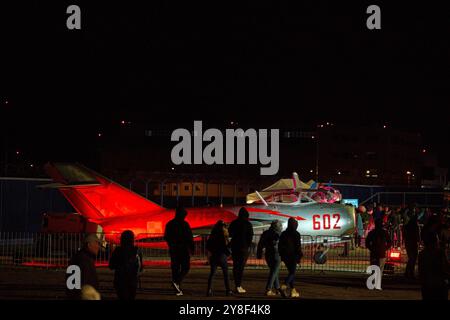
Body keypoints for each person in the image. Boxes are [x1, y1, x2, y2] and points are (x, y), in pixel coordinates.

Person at [164, 206, 194, 296]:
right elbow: (189, 237)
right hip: (183, 249)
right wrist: (192, 248)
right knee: (186, 267)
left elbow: (166, 237)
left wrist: (171, 245)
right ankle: (177, 283)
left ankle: (177, 286)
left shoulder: (170, 224)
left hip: (174, 249)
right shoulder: (185, 224)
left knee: (175, 268)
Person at [109, 230, 143, 300]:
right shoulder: (137, 251)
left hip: (120, 280)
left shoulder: (118, 251)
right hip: (132, 281)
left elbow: (111, 265)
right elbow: (140, 267)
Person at [66, 234, 101, 300]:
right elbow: (78, 284)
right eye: (96, 243)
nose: (98, 246)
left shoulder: (79, 257)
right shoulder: (84, 260)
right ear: (89, 245)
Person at [228, 207, 254, 293]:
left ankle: (237, 284)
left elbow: (230, 233)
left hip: (235, 247)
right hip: (244, 248)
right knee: (241, 267)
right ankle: (238, 285)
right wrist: (248, 245)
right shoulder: (248, 224)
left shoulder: (234, 223)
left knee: (236, 266)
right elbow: (250, 236)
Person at [257, 220, 285, 297]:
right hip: (276, 254)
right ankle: (268, 289)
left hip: (268, 254)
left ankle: (277, 288)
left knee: (274, 272)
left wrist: (259, 254)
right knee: (274, 272)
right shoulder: (278, 234)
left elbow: (260, 244)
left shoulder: (265, 233)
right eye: (280, 226)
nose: (282, 227)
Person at [418, 232, 449, 300]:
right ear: (435, 241)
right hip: (439, 284)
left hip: (427, 285)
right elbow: (446, 267)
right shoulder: (440, 253)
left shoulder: (422, 254)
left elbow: (421, 271)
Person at [206, 220, 232, 296]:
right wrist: (228, 253)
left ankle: (209, 290)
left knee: (212, 274)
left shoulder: (212, 234)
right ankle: (228, 290)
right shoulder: (223, 234)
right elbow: (225, 246)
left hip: (214, 256)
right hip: (222, 255)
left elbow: (208, 246)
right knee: (226, 274)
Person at [278, 217, 302, 298]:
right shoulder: (296, 234)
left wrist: (281, 255)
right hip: (293, 255)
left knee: (291, 272)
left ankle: (293, 290)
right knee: (292, 273)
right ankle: (284, 286)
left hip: (285, 256)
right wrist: (299, 256)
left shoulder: (283, 233)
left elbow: (280, 245)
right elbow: (298, 246)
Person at [365, 219, 391, 288]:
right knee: (380, 269)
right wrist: (385, 248)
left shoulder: (372, 232)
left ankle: (373, 283)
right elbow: (389, 242)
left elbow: (367, 243)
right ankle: (377, 284)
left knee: (374, 269)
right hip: (382, 253)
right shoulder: (384, 232)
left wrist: (371, 248)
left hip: (374, 253)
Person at [403, 213, 420, 279]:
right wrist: (418, 240)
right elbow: (417, 235)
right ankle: (410, 272)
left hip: (408, 243)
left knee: (411, 258)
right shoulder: (415, 226)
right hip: (413, 243)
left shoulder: (407, 226)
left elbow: (404, 234)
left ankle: (408, 272)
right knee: (413, 258)